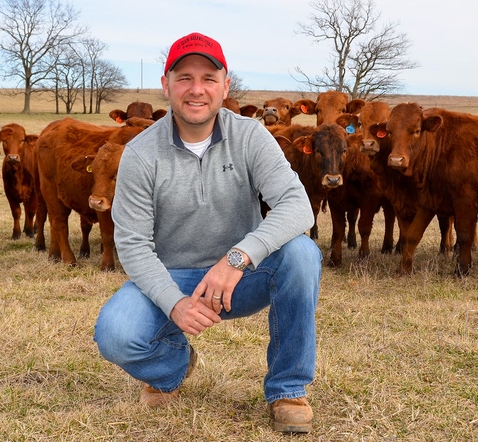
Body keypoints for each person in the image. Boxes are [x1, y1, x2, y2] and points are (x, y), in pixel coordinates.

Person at [93, 32, 322, 434]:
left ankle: (288, 389)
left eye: (209, 78)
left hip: (243, 276)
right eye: (184, 77)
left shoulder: (250, 136)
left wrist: (238, 257)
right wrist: (174, 303)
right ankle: (172, 366)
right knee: (115, 334)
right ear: (166, 85)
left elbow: (297, 206)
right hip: (173, 276)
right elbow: (131, 243)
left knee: (302, 253)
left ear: (225, 85)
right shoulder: (141, 154)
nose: (196, 89)